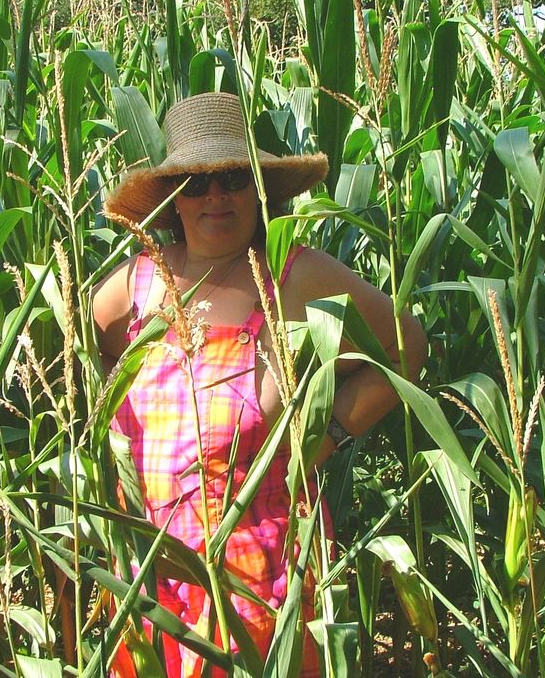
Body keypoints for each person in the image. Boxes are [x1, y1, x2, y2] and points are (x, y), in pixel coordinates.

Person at [93, 91, 427, 676]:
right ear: (174, 198)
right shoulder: (138, 282)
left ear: (257, 186)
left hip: (263, 585)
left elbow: (406, 347)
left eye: (231, 178)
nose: (215, 196)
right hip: (153, 583)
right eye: (196, 183)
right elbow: (79, 357)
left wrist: (334, 435)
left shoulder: (295, 276)